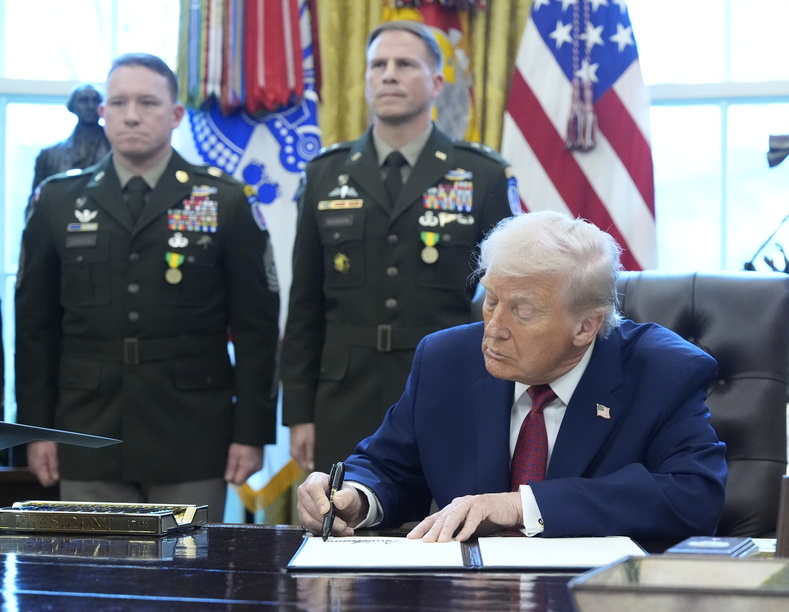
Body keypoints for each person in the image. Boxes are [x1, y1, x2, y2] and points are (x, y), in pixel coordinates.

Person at [296, 210, 728, 542]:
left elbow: (694, 497)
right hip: (466, 611)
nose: (494, 327)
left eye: (522, 310)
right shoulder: (446, 359)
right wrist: (355, 497)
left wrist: (524, 505)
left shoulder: (663, 372)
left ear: (586, 326)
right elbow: (388, 466)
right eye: (490, 300)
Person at [15, 53, 280, 522]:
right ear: (103, 113)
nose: (131, 114)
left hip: (193, 431)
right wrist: (37, 430)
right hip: (87, 429)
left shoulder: (225, 200)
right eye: (118, 102)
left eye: (147, 102)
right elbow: (35, 329)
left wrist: (252, 432)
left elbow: (257, 327)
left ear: (176, 115)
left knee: (189, 582)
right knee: (93, 582)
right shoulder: (59, 200)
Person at [281, 20, 519, 474]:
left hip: (450, 388)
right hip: (343, 395)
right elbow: (305, 304)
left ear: (435, 84)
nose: (388, 74)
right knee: (344, 525)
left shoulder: (482, 175)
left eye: (405, 64)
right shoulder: (324, 175)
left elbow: (509, 293)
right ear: (367, 80)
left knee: (447, 526)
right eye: (378, 65)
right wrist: (298, 414)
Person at [28, 84, 111, 205]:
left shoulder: (119, 152)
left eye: (96, 101)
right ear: (72, 106)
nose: (90, 106)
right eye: (83, 101)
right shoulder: (49, 155)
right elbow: (36, 203)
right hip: (61, 219)